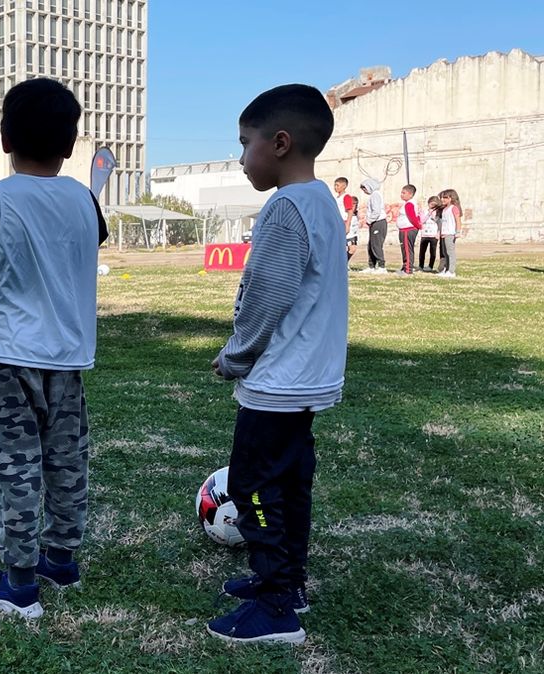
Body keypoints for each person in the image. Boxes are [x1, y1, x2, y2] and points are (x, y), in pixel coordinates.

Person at [0, 78, 107, 619]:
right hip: (67, 359)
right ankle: (61, 558)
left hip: (9, 357)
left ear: (3, 138)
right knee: (66, 461)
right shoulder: (87, 202)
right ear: (71, 145)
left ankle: (19, 581)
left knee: (17, 468)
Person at [209, 84, 348, 644]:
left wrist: (236, 356)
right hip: (308, 380)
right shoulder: (321, 201)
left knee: (254, 488)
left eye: (245, 144)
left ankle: (274, 610)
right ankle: (288, 584)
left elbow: (268, 295)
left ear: (281, 143)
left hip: (278, 382)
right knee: (290, 488)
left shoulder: (284, 208)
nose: (242, 159)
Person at [360, 178, 387, 273]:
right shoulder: (372, 196)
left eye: (365, 189)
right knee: (371, 244)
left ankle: (381, 266)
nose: (364, 191)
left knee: (376, 244)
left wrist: (369, 220)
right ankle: (371, 265)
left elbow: (376, 211)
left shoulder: (376, 195)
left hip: (378, 222)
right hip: (374, 223)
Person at [395, 184, 422, 275]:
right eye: (401, 192)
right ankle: (404, 266)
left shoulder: (410, 204)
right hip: (404, 229)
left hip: (408, 229)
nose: (401, 195)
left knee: (407, 249)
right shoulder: (407, 204)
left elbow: (412, 217)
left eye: (404, 193)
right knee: (404, 249)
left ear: (410, 194)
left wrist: (418, 226)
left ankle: (408, 269)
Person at [332, 177, 359, 262]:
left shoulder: (346, 197)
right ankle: (340, 263)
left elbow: (350, 211)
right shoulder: (337, 198)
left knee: (351, 246)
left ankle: (343, 263)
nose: (335, 187)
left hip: (344, 223)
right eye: (335, 185)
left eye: (337, 185)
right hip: (338, 224)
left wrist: (347, 224)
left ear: (344, 186)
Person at [437, 189, 462, 277]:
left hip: (450, 233)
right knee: (445, 253)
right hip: (444, 234)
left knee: (450, 253)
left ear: (451, 198)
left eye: (445, 197)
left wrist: (458, 232)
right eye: (442, 197)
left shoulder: (453, 208)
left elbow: (458, 220)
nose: (443, 199)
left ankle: (451, 271)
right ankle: (446, 269)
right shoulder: (444, 210)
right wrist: (439, 232)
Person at [418, 196, 440, 271]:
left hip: (434, 235)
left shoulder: (438, 212)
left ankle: (430, 266)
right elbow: (421, 221)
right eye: (431, 204)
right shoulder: (424, 211)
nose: (433, 206)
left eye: (435, 205)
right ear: (428, 203)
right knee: (422, 251)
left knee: (432, 251)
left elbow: (439, 222)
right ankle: (420, 266)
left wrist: (438, 233)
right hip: (424, 234)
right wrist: (428, 214)